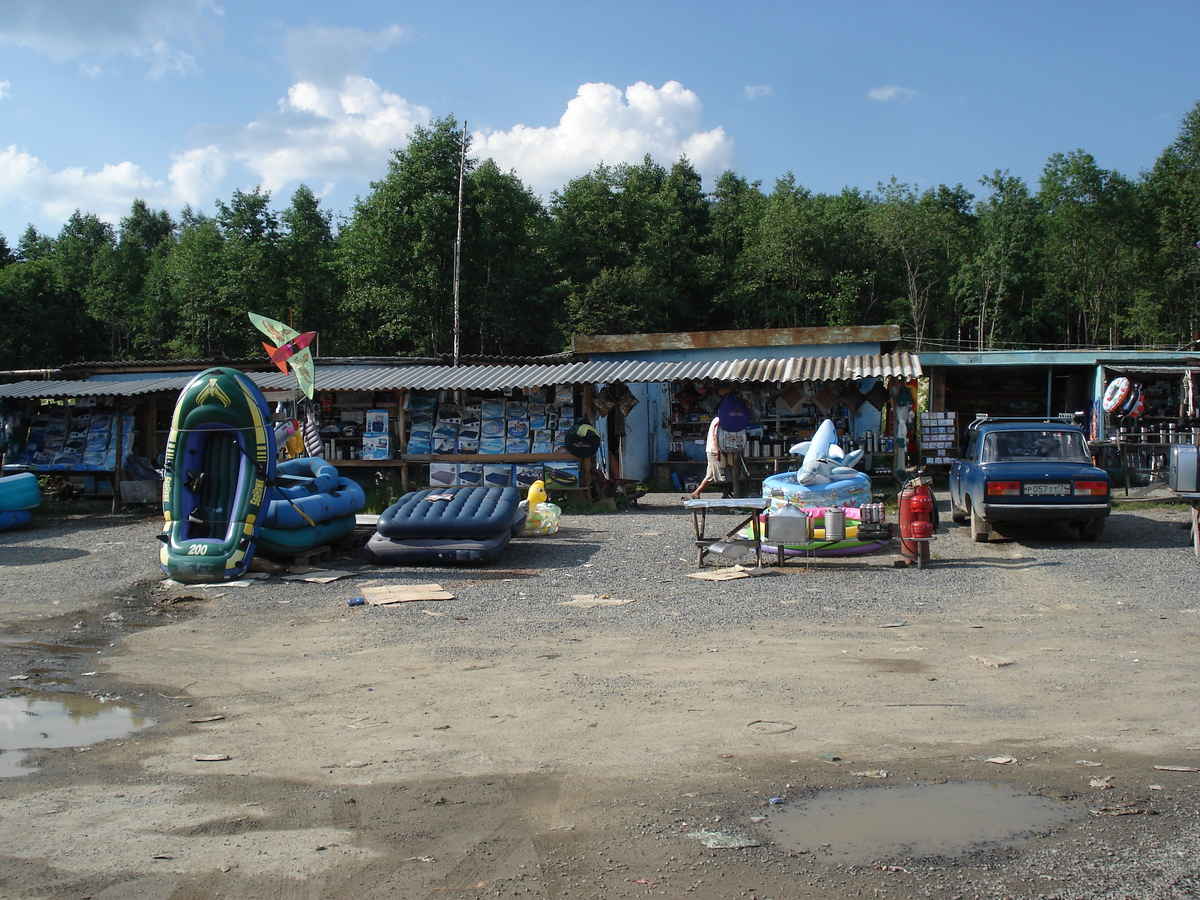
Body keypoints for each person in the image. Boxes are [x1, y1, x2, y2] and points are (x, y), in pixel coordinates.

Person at [691, 415, 726, 499]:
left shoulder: (718, 420)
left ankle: (696, 492)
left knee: (710, 475)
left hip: (713, 450)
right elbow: (715, 436)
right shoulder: (718, 420)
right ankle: (726, 494)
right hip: (714, 450)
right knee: (720, 475)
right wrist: (718, 450)